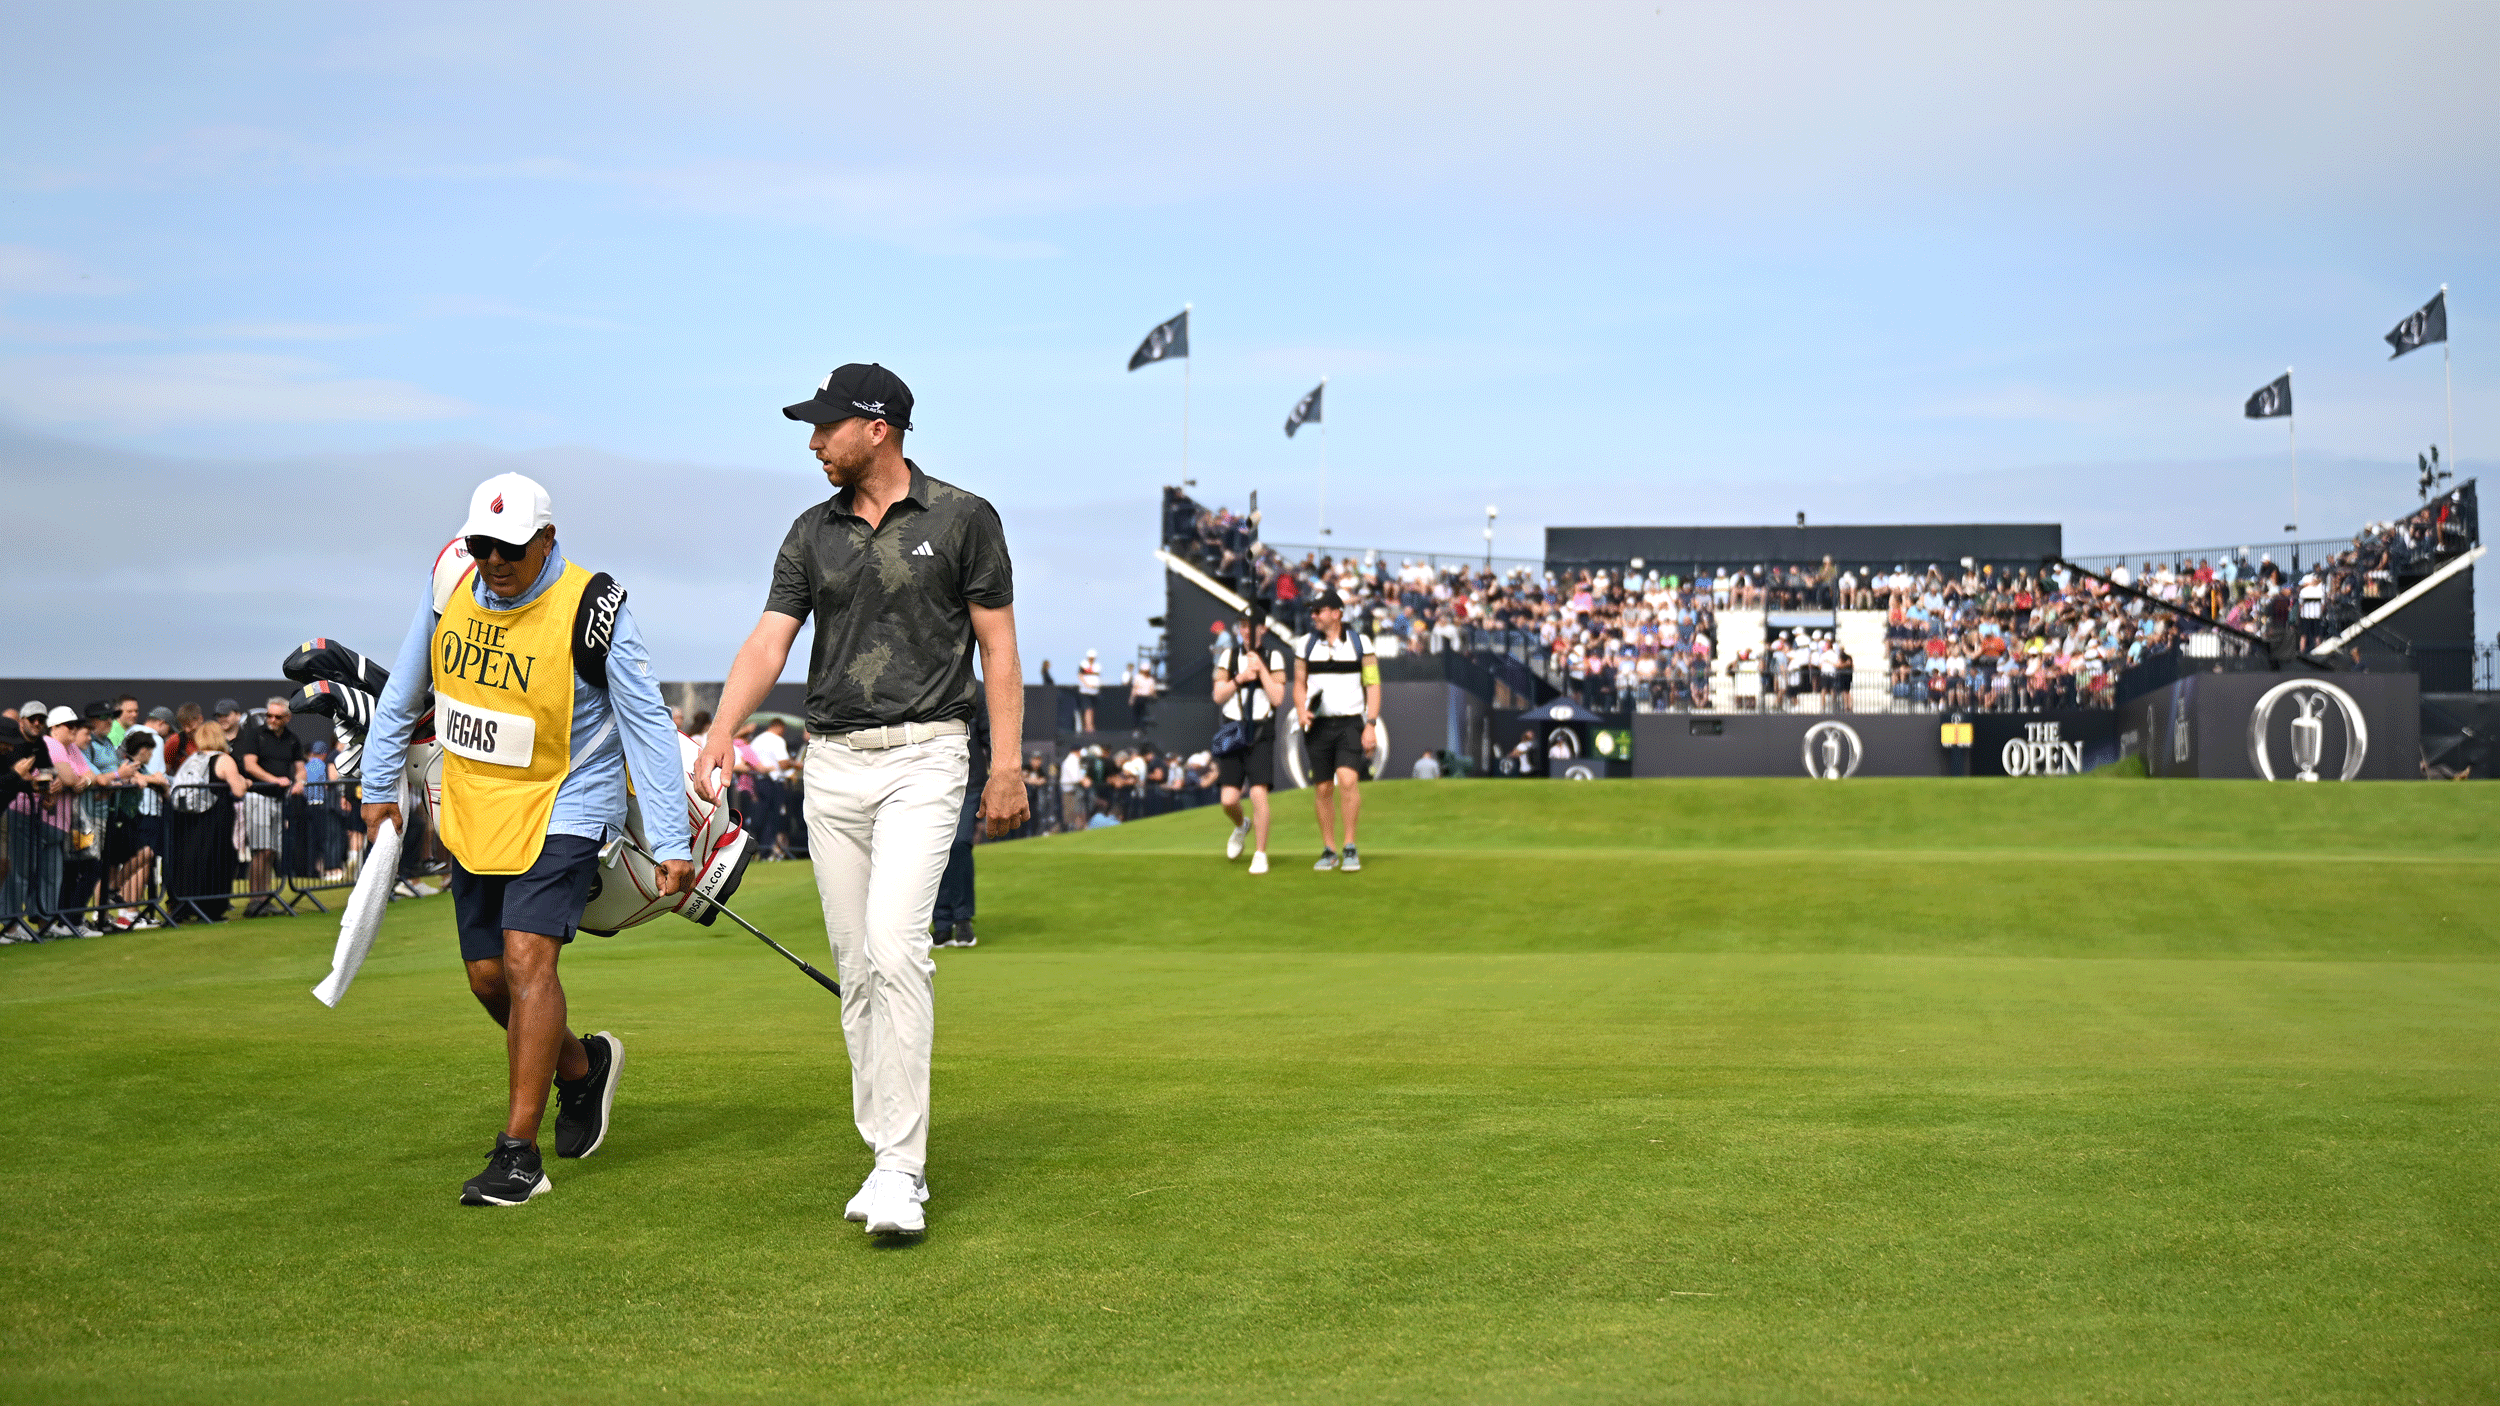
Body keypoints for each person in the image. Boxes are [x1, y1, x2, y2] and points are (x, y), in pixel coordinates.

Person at [695, 362, 1025, 1240]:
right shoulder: (811, 532)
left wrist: (1009, 765)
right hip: (832, 765)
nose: (813, 441)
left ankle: (902, 1171)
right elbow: (771, 641)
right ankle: (884, 1152)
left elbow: (999, 648)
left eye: (826, 427)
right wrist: (722, 730)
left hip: (927, 754)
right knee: (856, 969)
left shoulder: (964, 518)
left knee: (894, 946)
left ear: (875, 428)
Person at [360, 472, 696, 1208]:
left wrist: (673, 838)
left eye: (511, 547)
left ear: (548, 539)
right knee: (488, 978)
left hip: (568, 797)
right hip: (477, 800)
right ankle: (580, 1070)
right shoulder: (452, 574)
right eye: (483, 545)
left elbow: (646, 723)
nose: (495, 561)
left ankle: (518, 1154)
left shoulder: (595, 609)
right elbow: (407, 683)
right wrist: (377, 785)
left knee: (525, 960)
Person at [1293, 589, 1379, 873]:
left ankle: (1350, 845)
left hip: (1351, 723)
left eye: (1319, 611)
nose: (1313, 616)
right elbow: (1299, 684)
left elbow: (1373, 685)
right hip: (1317, 725)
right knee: (1323, 787)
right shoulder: (1304, 644)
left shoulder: (1361, 643)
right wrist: (1301, 709)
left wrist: (1371, 724)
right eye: (1313, 611)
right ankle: (1329, 849)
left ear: (1337, 613)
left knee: (1347, 780)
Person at [1211, 602, 1288, 875]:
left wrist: (1262, 671)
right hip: (1234, 730)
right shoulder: (1228, 657)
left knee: (1258, 793)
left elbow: (1278, 697)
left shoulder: (1274, 657)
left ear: (1263, 629)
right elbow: (1218, 696)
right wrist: (1241, 678)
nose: (1246, 631)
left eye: (1252, 627)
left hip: (1261, 731)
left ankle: (1260, 852)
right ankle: (1241, 825)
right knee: (1228, 800)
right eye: (1243, 626)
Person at [232, 696, 307, 917]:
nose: (272, 720)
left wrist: (300, 782)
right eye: (269, 715)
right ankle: (256, 899)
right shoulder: (253, 735)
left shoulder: (292, 740)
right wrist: (274, 779)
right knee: (261, 850)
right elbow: (250, 765)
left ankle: (265, 897)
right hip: (258, 797)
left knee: (271, 851)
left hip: (278, 799)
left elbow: (301, 768)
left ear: (288, 717)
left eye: (277, 716)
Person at [168, 722, 247, 925]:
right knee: (216, 860)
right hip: (215, 819)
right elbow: (238, 791)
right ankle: (212, 909)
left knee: (189, 861)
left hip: (187, 819)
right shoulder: (224, 760)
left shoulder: (191, 759)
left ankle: (183, 906)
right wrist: (245, 782)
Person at [1076, 650, 1100, 732]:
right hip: (1085, 691)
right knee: (1087, 709)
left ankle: (1091, 725)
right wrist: (1087, 684)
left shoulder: (1097, 666)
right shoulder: (1083, 664)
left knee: (1092, 709)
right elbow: (1080, 675)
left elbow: (1097, 677)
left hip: (1094, 691)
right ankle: (1088, 727)